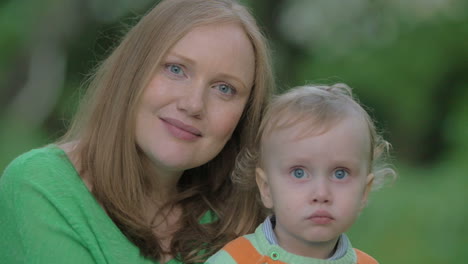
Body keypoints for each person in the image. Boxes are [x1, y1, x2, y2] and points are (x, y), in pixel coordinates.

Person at [0, 0, 275, 263]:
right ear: (133, 72)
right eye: (176, 69)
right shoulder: (42, 186)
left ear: (245, 115)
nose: (193, 104)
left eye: (224, 89)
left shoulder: (253, 223)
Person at [206, 84, 396, 264]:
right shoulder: (236, 259)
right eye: (298, 173)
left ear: (364, 191)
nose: (321, 194)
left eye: (340, 174)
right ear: (267, 189)